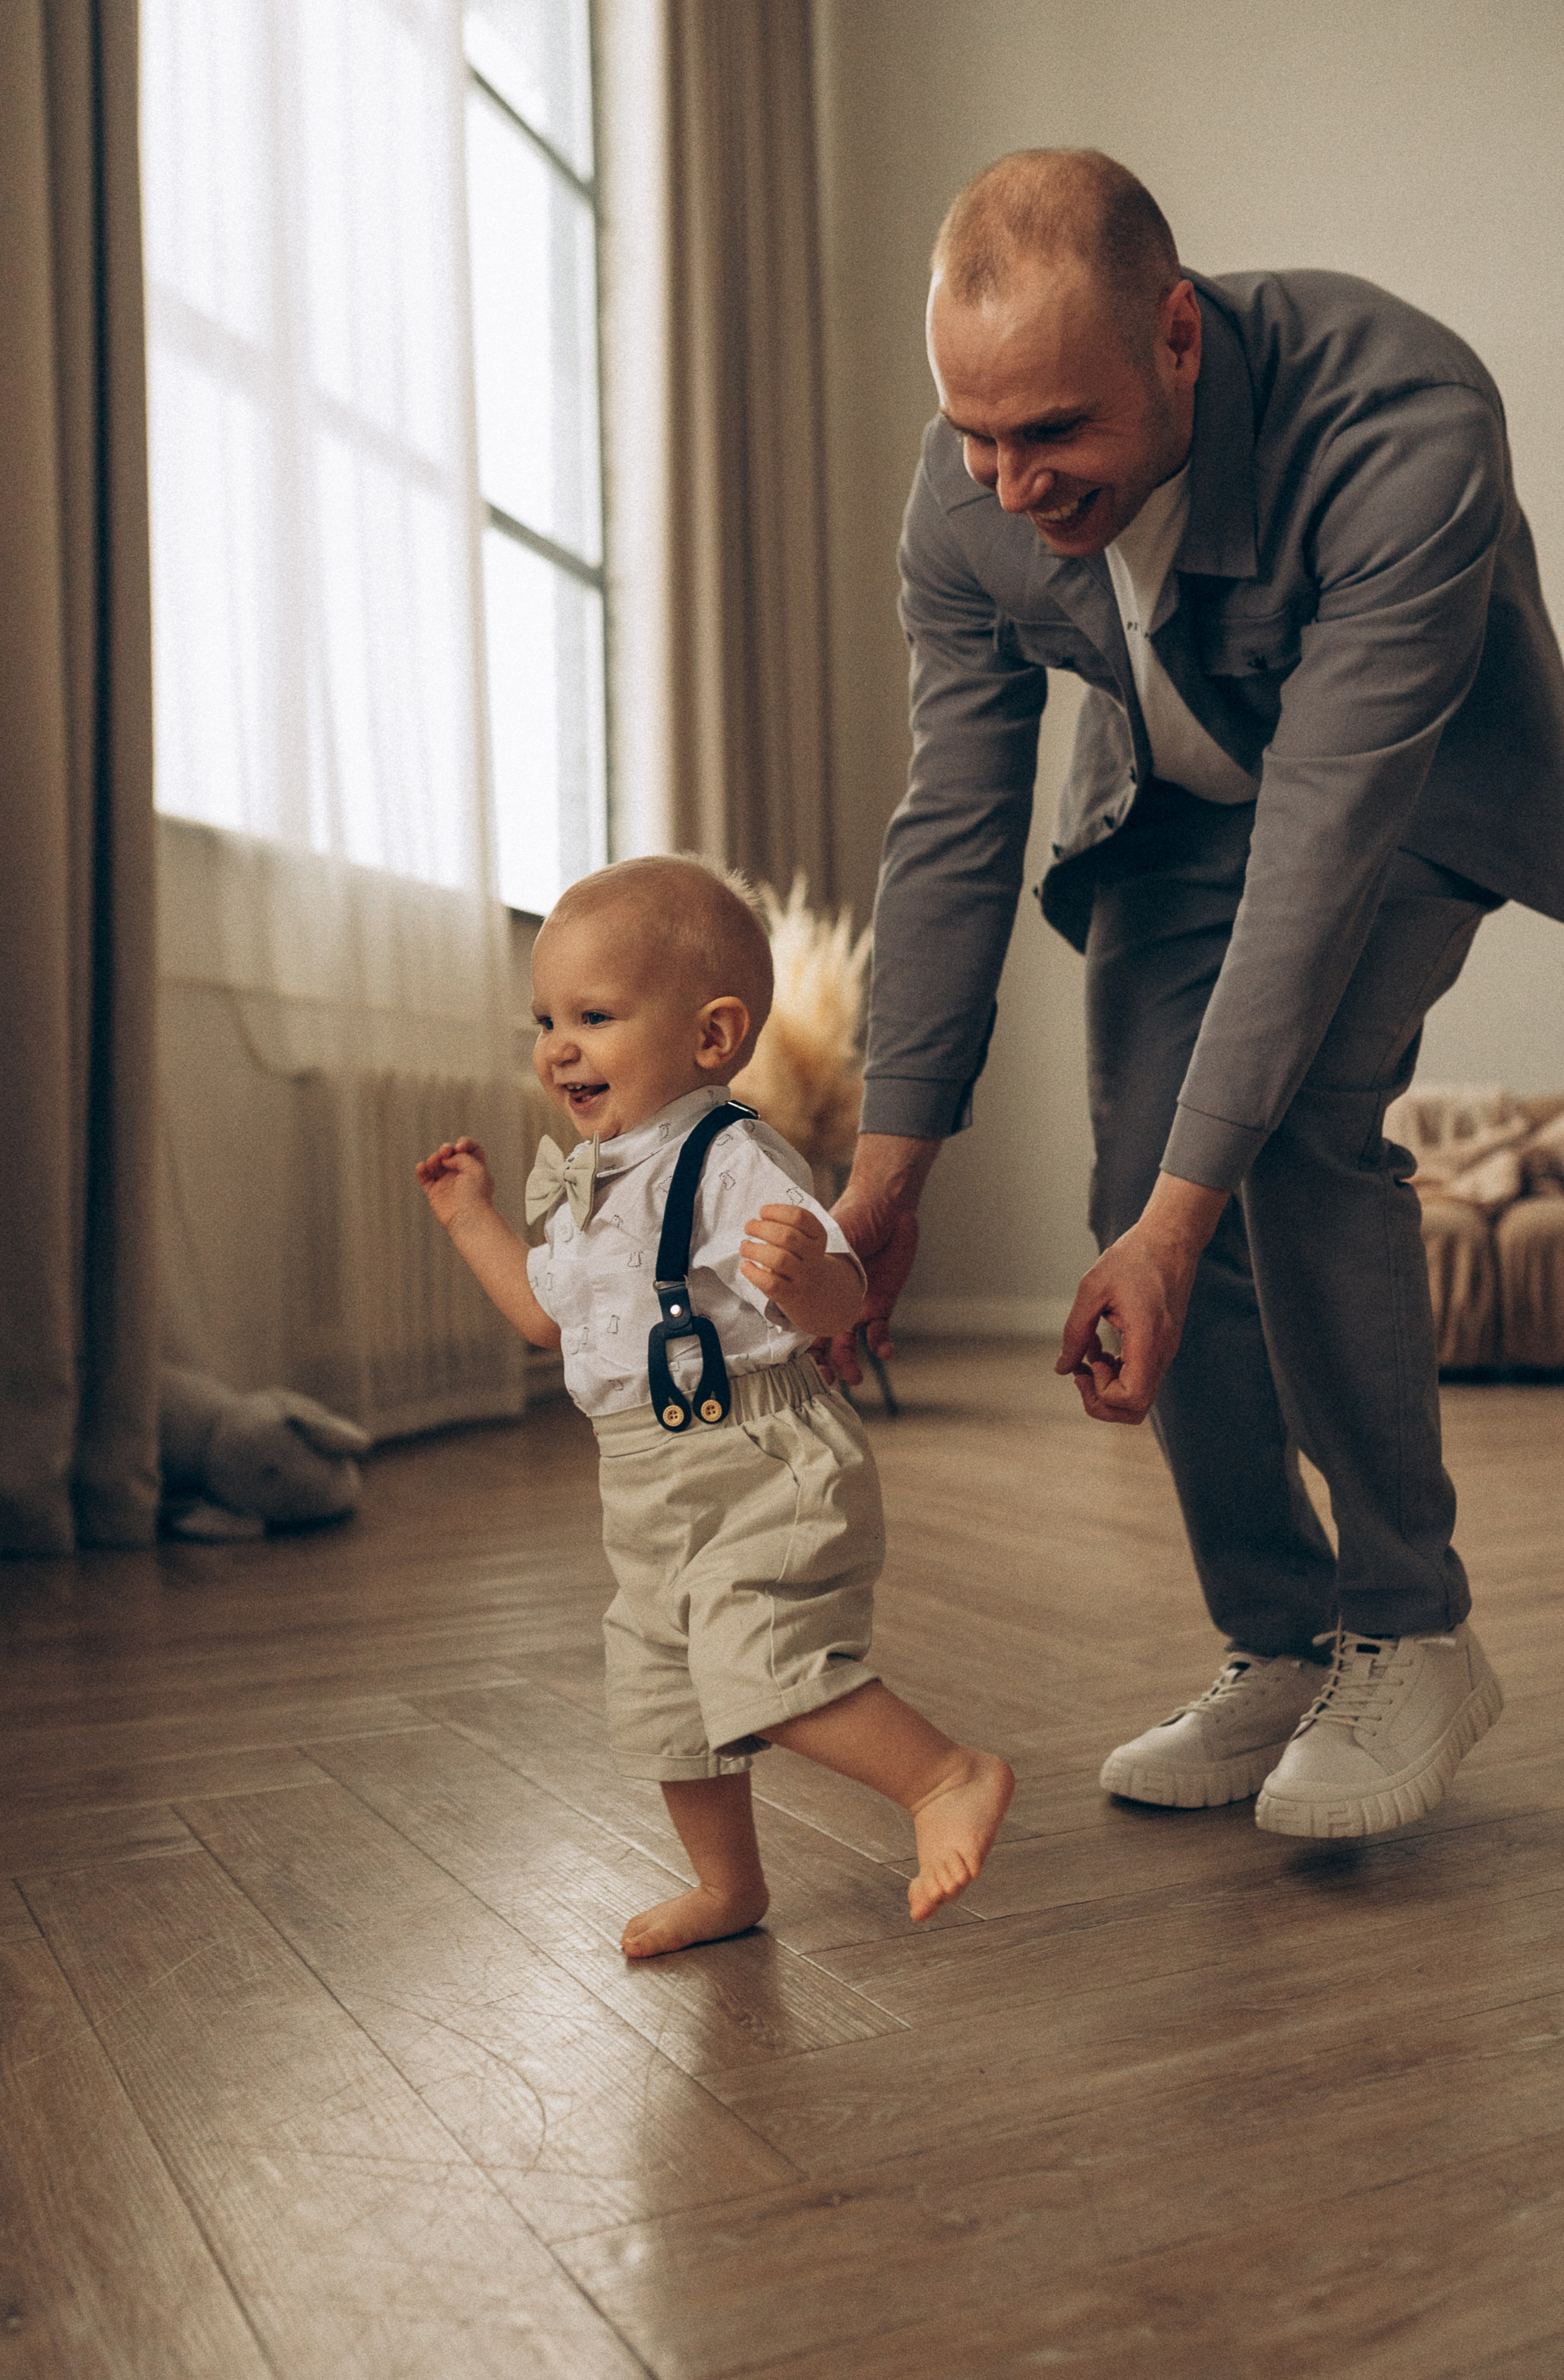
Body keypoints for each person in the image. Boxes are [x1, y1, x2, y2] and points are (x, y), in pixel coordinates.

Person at [828, 149, 1564, 1841]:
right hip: (1167, 802)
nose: (1012, 485)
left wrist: (1186, 1219)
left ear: (1176, 337)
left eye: (1053, 434)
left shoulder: (1406, 425)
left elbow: (1318, 851)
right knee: (1131, 1189)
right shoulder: (968, 490)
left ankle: (1411, 1625)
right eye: (976, 435)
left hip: (1403, 795)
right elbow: (954, 822)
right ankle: (1283, 1638)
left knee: (1286, 1128)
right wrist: (887, 1181)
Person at [417, 856, 1014, 1957]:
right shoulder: (594, 1180)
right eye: (546, 1020)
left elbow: (838, 1300)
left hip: (756, 1452)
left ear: (712, 1035)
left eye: (594, 1016)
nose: (558, 1045)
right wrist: (471, 1221)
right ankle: (728, 1883)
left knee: (765, 1663)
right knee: (664, 1692)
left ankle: (945, 1776)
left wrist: (811, 1278)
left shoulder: (731, 1156)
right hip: (642, 1477)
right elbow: (544, 1320)